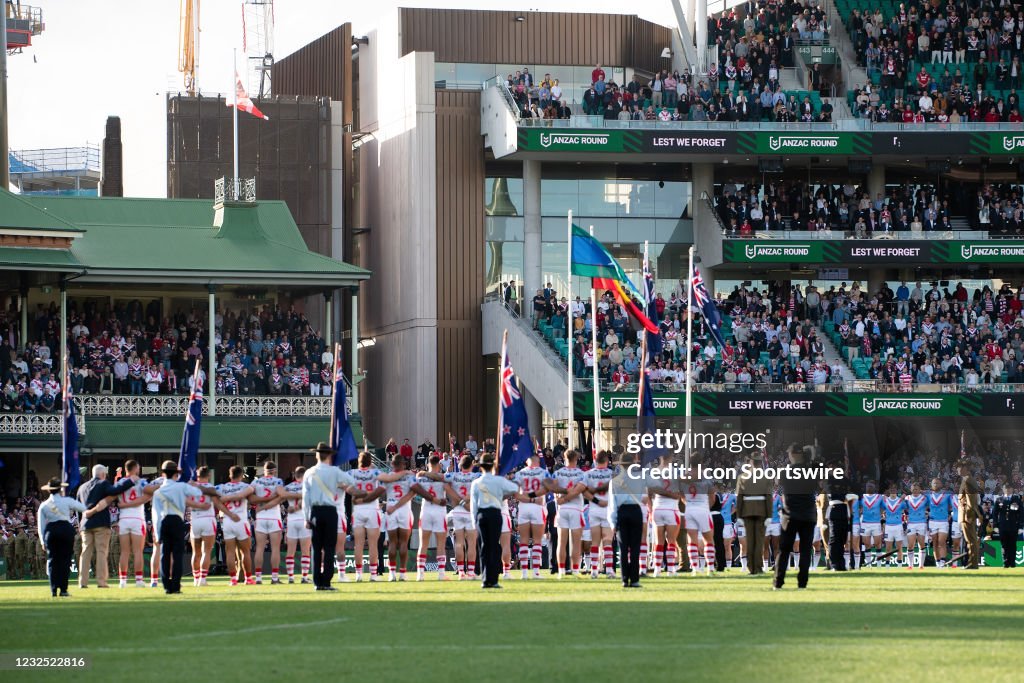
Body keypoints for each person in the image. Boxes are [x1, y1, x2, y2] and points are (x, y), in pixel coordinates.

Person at [301, 442, 363, 591]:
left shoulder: (309, 472)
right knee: (329, 548)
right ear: (329, 455)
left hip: (315, 511)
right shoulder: (335, 471)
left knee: (317, 548)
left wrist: (306, 517)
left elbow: (305, 497)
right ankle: (327, 582)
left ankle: (317, 582)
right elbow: (352, 482)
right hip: (330, 511)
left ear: (316, 455)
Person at [151, 460, 217, 594]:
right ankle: (175, 585)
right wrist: (193, 483)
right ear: (176, 473)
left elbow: (156, 513)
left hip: (163, 521)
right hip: (177, 520)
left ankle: (166, 585)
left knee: (165, 555)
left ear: (163, 474)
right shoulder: (181, 487)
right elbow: (199, 493)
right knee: (177, 555)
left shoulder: (158, 491)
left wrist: (157, 533)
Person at [37, 478, 108, 597]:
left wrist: (42, 540)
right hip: (65, 529)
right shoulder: (67, 501)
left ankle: (53, 589)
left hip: (52, 531)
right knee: (65, 561)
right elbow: (83, 508)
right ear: (60, 490)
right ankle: (63, 589)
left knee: (53, 561)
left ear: (49, 491)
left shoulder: (44, 505)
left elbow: (41, 525)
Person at [378, 454, 442, 581]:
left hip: (391, 509)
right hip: (404, 511)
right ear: (403, 464)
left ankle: (392, 574)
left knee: (392, 542)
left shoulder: (388, 477)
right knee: (403, 543)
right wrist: (433, 499)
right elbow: (419, 490)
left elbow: (379, 491)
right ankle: (402, 573)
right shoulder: (409, 477)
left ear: (392, 464)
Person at [76, 463, 135, 588]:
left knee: (85, 552)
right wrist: (130, 480)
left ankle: (82, 582)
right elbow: (115, 490)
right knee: (101, 552)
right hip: (101, 523)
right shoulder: (103, 483)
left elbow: (77, 507)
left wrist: (80, 524)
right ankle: (101, 582)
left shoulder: (82, 487)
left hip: (85, 524)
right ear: (103, 474)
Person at [469, 453, 519, 589]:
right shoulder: (498, 480)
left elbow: (474, 505)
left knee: (484, 547)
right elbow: (515, 488)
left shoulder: (476, 482)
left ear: (481, 467)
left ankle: (485, 579)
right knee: (494, 547)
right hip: (495, 513)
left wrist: (474, 521)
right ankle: (494, 579)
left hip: (481, 515)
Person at [773, 445, 819, 590]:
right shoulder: (812, 470)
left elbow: (776, 482)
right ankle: (802, 584)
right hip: (808, 515)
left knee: (784, 550)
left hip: (790, 515)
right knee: (805, 550)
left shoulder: (786, 471)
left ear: (792, 454)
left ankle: (778, 582)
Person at [608, 452, 648, 588]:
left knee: (623, 548)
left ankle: (625, 579)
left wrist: (612, 522)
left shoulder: (614, 481)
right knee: (635, 547)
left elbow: (612, 503)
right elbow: (645, 497)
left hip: (622, 512)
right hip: (636, 511)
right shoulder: (640, 478)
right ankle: (635, 579)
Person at [513, 449, 555, 579]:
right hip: (537, 507)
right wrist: (534, 497)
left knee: (524, 540)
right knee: (537, 541)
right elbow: (550, 488)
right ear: (538, 460)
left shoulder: (520, 473)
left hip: (524, 507)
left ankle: (524, 573)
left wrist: (528, 497)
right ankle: (536, 572)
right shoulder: (544, 472)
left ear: (527, 461)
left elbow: (515, 493)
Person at [416, 454, 457, 581]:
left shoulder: (421, 477)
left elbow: (418, 478)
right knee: (441, 544)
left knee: (423, 544)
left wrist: (425, 473)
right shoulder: (443, 477)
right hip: (439, 511)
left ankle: (420, 574)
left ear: (428, 464)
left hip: (426, 510)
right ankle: (440, 574)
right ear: (439, 465)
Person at [217, 466, 256, 585]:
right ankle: (248, 578)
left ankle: (233, 579)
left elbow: (216, 499)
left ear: (230, 475)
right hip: (241, 520)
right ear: (241, 475)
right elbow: (251, 492)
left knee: (230, 552)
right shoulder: (245, 486)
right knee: (245, 552)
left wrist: (226, 499)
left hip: (228, 521)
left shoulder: (223, 487)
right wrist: (238, 496)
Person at [349, 452, 385, 582]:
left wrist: (354, 494)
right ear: (370, 462)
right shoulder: (375, 473)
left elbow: (342, 484)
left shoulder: (352, 473)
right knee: (373, 544)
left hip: (358, 509)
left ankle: (359, 575)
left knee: (358, 544)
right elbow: (386, 481)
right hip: (372, 509)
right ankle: (373, 575)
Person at [736, 451, 773, 575]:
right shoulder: (766, 477)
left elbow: (739, 498)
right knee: (759, 541)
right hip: (762, 511)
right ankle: (758, 567)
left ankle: (752, 568)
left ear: (751, 462)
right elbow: (769, 498)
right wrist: (769, 515)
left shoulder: (742, 477)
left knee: (750, 541)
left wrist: (739, 515)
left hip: (747, 511)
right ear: (760, 462)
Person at [114, 460, 150, 588]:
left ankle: (122, 581)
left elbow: (114, 495)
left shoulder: (120, 482)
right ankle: (139, 580)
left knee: (124, 552)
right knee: (138, 551)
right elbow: (148, 495)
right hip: (137, 518)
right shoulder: (141, 482)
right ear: (135, 468)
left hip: (123, 518)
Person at [552, 449, 588, 577]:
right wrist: (568, 495)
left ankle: (561, 570)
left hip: (562, 510)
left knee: (562, 542)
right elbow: (579, 490)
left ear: (564, 458)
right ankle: (575, 570)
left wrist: (560, 499)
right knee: (576, 542)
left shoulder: (558, 473)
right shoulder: (581, 473)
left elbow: (554, 488)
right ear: (576, 459)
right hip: (576, 509)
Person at [680, 452, 717, 575]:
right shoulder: (705, 477)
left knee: (692, 541)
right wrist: (706, 506)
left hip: (690, 509)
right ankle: (710, 568)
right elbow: (712, 498)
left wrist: (689, 503)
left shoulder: (684, 477)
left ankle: (695, 568)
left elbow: (681, 495)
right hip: (703, 509)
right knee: (708, 540)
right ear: (701, 463)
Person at [446, 454, 481, 580]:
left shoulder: (453, 476)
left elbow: (442, 481)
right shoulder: (476, 476)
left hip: (457, 511)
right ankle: (471, 572)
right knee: (472, 544)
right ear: (471, 464)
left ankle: (461, 572)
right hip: (470, 512)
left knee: (459, 542)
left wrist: (458, 499)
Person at [251, 461, 285, 585]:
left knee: (259, 548)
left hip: (260, 517)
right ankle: (274, 578)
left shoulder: (256, 482)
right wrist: (271, 499)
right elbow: (282, 495)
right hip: (274, 517)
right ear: (275, 470)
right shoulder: (278, 481)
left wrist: (262, 503)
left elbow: (249, 497)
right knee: (275, 548)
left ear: (263, 471)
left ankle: (259, 578)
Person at [188, 466, 221, 587]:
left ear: (197, 476)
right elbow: (217, 501)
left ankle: (195, 579)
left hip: (195, 519)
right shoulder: (211, 488)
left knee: (195, 553)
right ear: (209, 475)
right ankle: (202, 579)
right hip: (207, 519)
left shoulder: (191, 487)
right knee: (206, 552)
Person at [585, 450, 616, 578]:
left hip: (594, 509)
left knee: (595, 542)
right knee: (607, 541)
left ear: (595, 460)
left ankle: (594, 571)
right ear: (607, 461)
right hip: (608, 509)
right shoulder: (612, 474)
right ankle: (609, 570)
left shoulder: (587, 474)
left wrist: (597, 501)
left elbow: (584, 491)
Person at [280, 467, 311, 583]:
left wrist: (292, 507)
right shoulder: (308, 486)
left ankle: (291, 577)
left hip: (292, 520)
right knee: (305, 551)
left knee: (290, 551)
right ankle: (304, 577)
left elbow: (280, 497)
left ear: (295, 476)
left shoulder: (288, 487)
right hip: (304, 519)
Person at [825, 465, 856, 572]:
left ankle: (841, 564)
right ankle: (834, 564)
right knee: (835, 538)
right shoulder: (829, 480)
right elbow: (837, 494)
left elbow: (853, 488)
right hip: (835, 509)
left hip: (844, 510)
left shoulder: (844, 480)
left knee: (843, 538)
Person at [958, 459, 983, 570]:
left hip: (967, 514)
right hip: (966, 513)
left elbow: (971, 500)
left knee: (971, 540)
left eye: (959, 467)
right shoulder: (967, 479)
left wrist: (969, 515)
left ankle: (973, 564)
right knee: (970, 540)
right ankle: (971, 563)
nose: (957, 470)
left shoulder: (968, 480)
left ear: (965, 469)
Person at [991, 483, 1022, 568]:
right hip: (1002, 526)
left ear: (1012, 489)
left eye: (1009, 488)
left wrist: (1020, 526)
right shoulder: (999, 500)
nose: (1007, 490)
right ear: (1003, 489)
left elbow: (1021, 513)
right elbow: (994, 513)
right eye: (1006, 488)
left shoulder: (1017, 499)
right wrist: (995, 525)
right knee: (1004, 544)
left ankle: (1012, 562)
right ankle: (1005, 562)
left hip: (1013, 526)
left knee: (1012, 544)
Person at [927, 478, 953, 568]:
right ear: (931, 485)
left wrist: (950, 514)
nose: (936, 485)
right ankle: (937, 562)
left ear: (941, 484)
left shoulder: (947, 494)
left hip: (943, 522)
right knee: (935, 543)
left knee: (941, 542)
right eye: (934, 483)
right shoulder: (928, 495)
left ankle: (942, 561)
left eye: (937, 483)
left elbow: (952, 505)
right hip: (932, 522)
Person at [904, 483, 929, 569]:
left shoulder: (924, 498)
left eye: (917, 489)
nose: (915, 491)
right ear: (911, 490)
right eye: (913, 489)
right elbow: (903, 508)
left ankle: (921, 565)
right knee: (910, 545)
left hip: (922, 523)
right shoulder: (907, 498)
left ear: (920, 490)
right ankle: (910, 565)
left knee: (921, 544)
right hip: (911, 523)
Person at [859, 482, 884, 567]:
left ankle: (879, 565)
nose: (869, 487)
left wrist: (879, 514)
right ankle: (869, 565)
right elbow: (858, 507)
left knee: (878, 544)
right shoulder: (862, 497)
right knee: (867, 545)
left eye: (871, 486)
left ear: (874, 488)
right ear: (865, 487)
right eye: (868, 486)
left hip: (876, 523)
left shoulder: (879, 497)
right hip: (865, 523)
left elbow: (883, 507)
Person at [883, 485, 907, 567]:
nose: (893, 490)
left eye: (894, 489)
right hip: (888, 527)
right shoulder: (885, 501)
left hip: (898, 526)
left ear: (897, 491)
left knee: (899, 547)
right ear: (889, 490)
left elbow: (908, 509)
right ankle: (887, 566)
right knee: (888, 548)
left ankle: (899, 566)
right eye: (891, 489)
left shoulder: (901, 501)